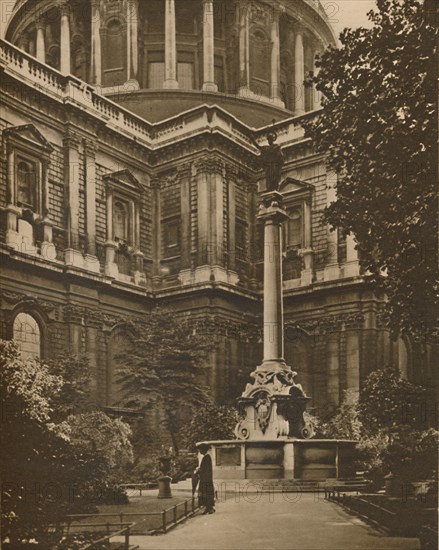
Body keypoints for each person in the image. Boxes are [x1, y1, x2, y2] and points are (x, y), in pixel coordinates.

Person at [196, 443, 215, 514]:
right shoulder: (206, 457)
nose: (200, 451)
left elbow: (205, 470)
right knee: (206, 493)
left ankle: (210, 508)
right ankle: (208, 508)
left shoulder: (207, 457)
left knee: (207, 493)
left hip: (206, 479)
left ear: (204, 450)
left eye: (200, 450)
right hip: (205, 479)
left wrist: (199, 471)